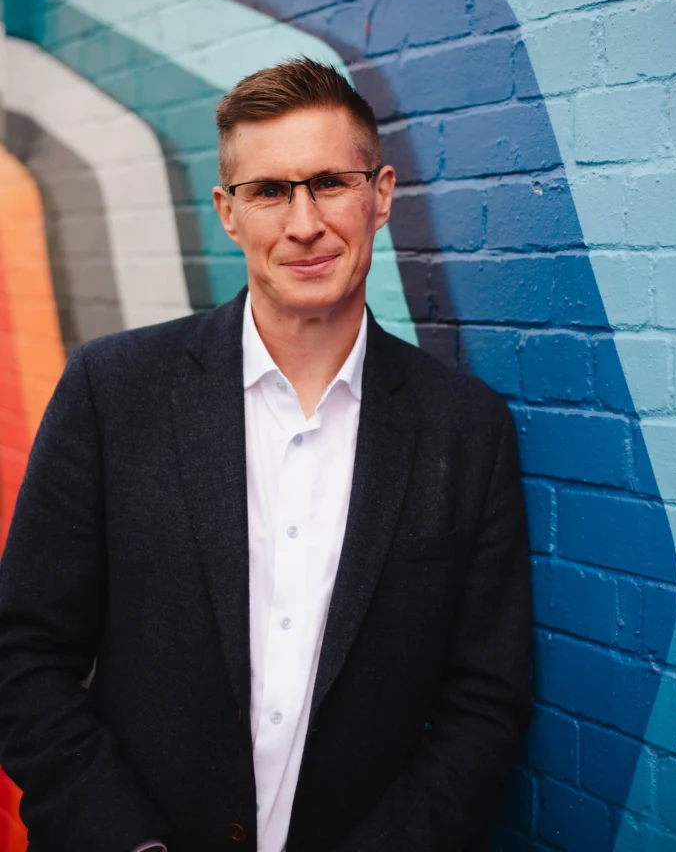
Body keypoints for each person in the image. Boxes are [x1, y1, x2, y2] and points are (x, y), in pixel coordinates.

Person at [0, 58, 531, 852]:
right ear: (228, 211)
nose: (305, 222)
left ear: (380, 195)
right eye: (270, 191)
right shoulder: (113, 392)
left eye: (330, 182)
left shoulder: (465, 428)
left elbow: (485, 703)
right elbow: (24, 653)